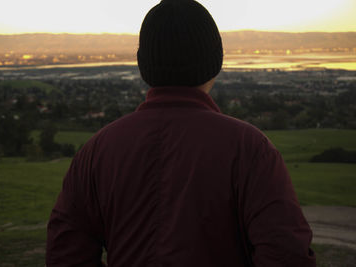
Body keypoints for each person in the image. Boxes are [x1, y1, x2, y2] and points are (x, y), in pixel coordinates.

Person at [46, 0, 316, 266]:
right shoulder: (250, 148)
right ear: (215, 60)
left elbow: (65, 254)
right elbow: (287, 254)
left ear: (143, 64)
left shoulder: (96, 151)